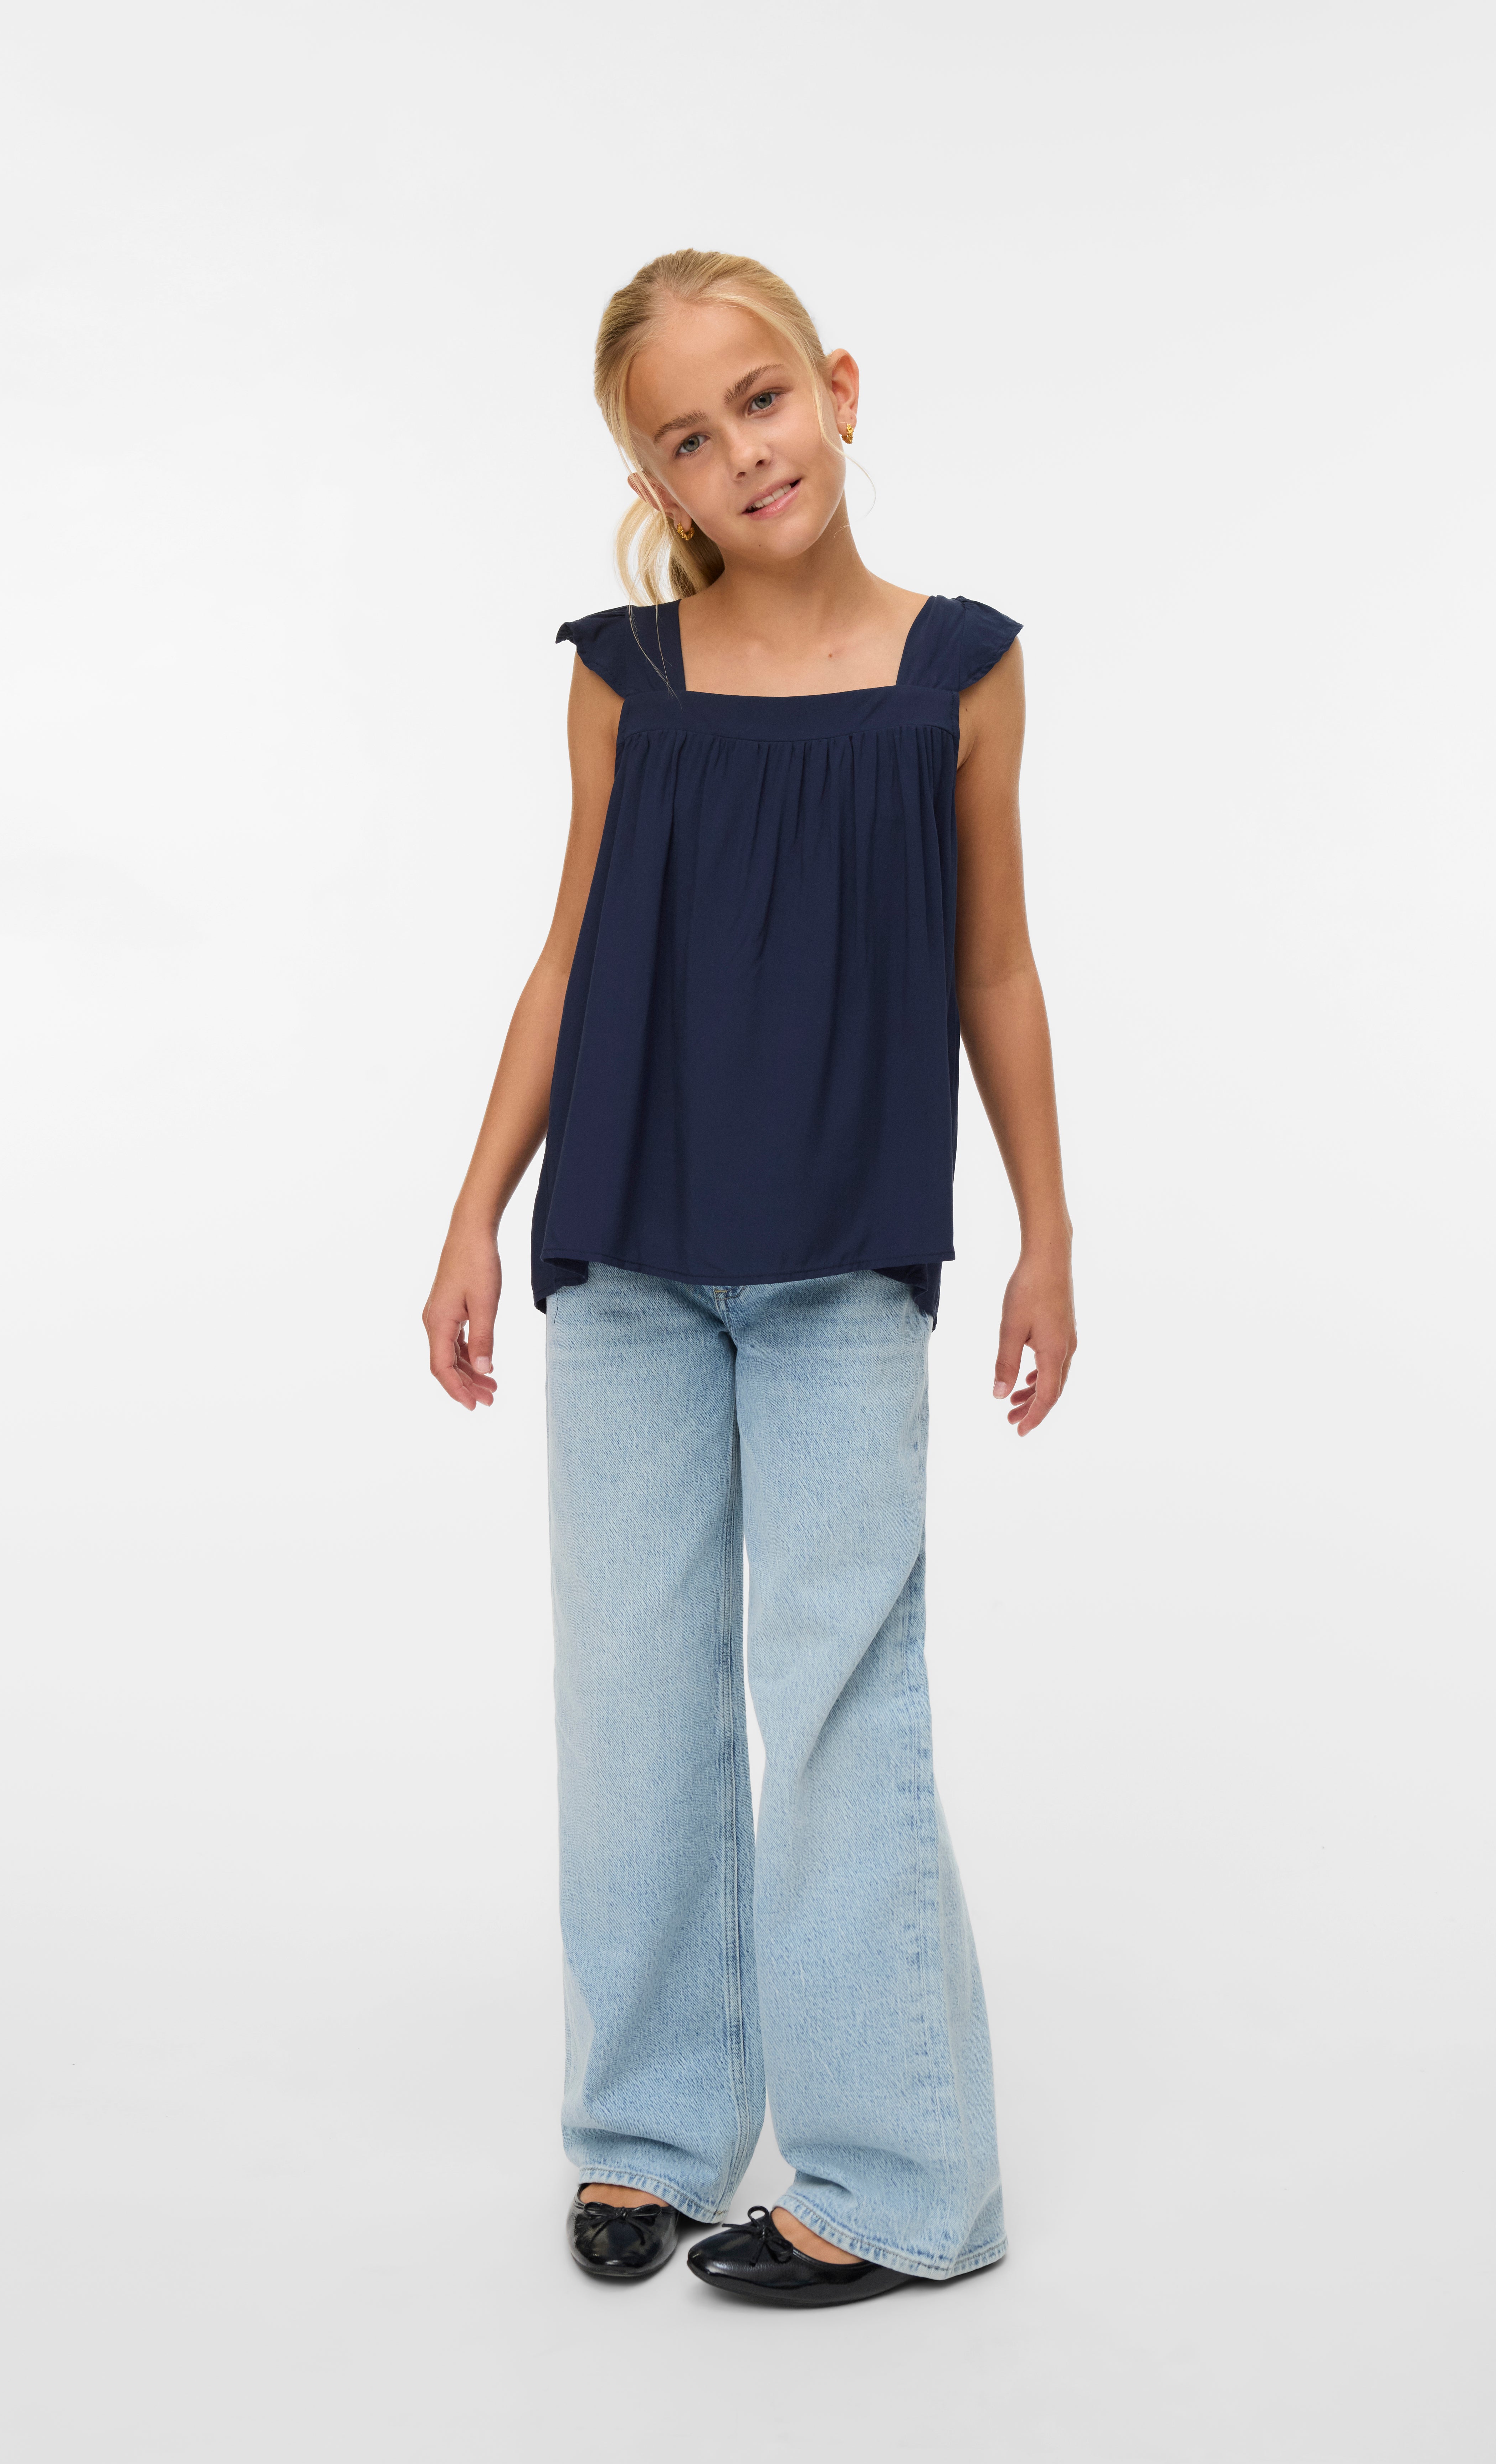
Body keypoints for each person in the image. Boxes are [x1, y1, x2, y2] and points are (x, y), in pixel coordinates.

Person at [422, 250, 1077, 2308]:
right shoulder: (623, 677)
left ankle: (903, 2185)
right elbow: (567, 954)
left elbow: (993, 966)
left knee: (845, 1689)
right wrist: (474, 1208)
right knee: (630, 1698)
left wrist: (1047, 1233)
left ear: (838, 388)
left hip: (841, 1256)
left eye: (763, 402)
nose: (743, 456)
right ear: (657, 483)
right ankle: (645, 2134)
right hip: (626, 1240)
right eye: (688, 442)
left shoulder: (961, 672)